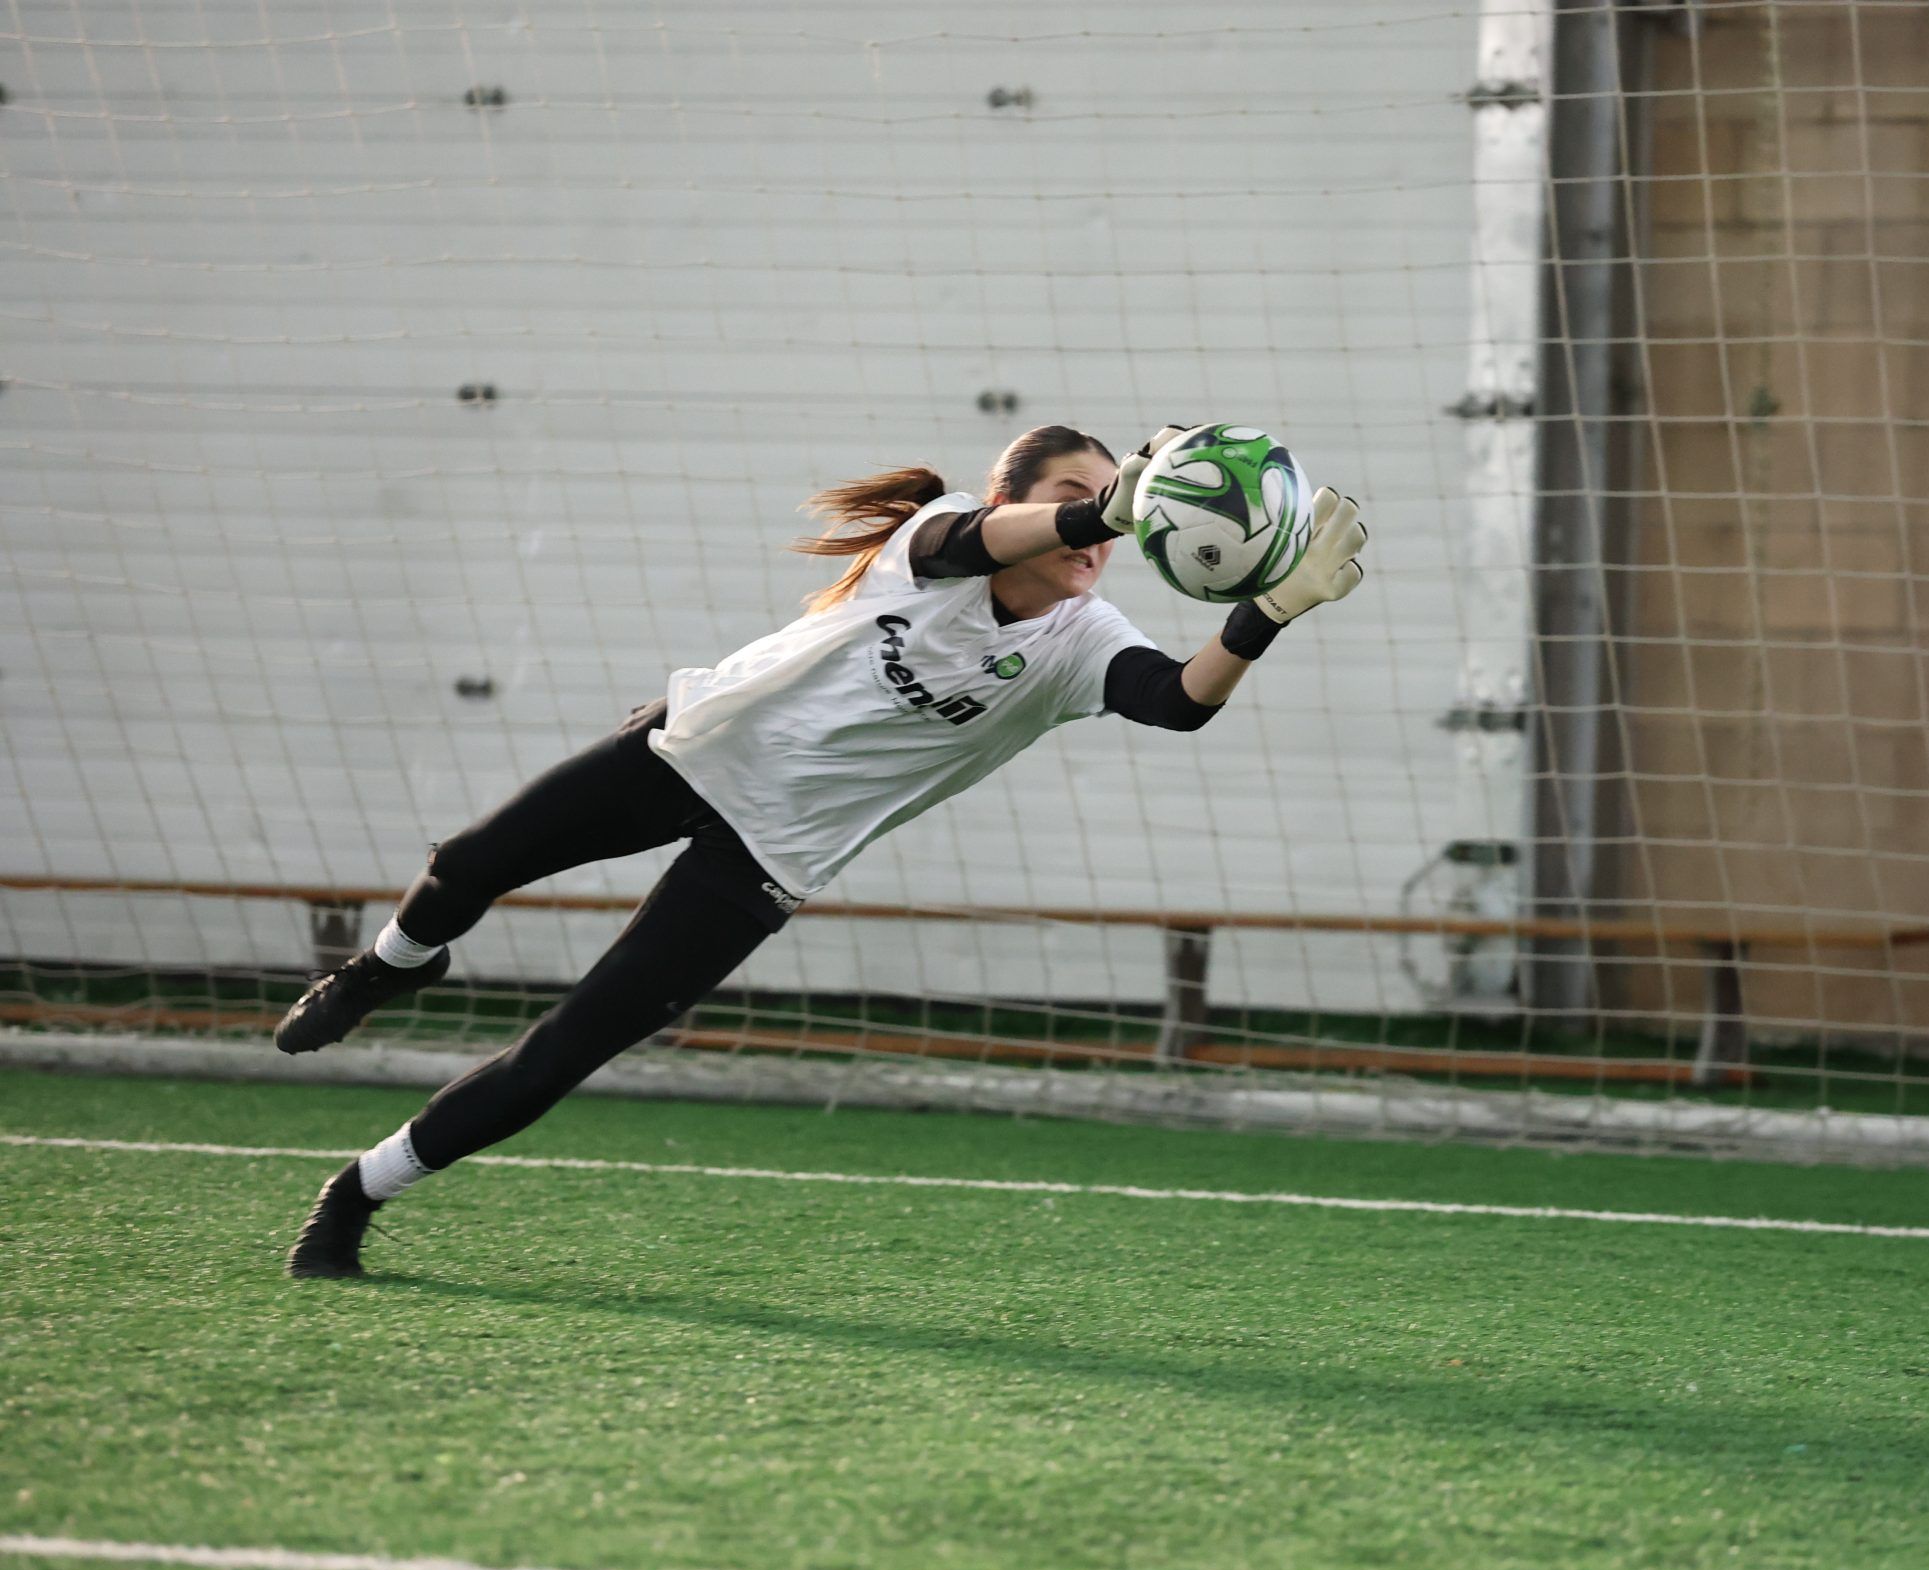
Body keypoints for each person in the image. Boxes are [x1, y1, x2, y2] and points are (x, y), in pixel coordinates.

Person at [278, 423, 1366, 1278]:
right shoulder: (933, 537)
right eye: (1079, 501)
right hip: (691, 750)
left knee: (566, 1049)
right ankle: (384, 969)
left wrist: (1269, 609)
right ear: (1014, 506)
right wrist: (1106, 502)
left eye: (1116, 511)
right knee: (467, 864)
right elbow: (968, 543)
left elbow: (1177, 701)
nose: (1102, 530)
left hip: (770, 856)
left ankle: (354, 1194)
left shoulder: (1083, 641)